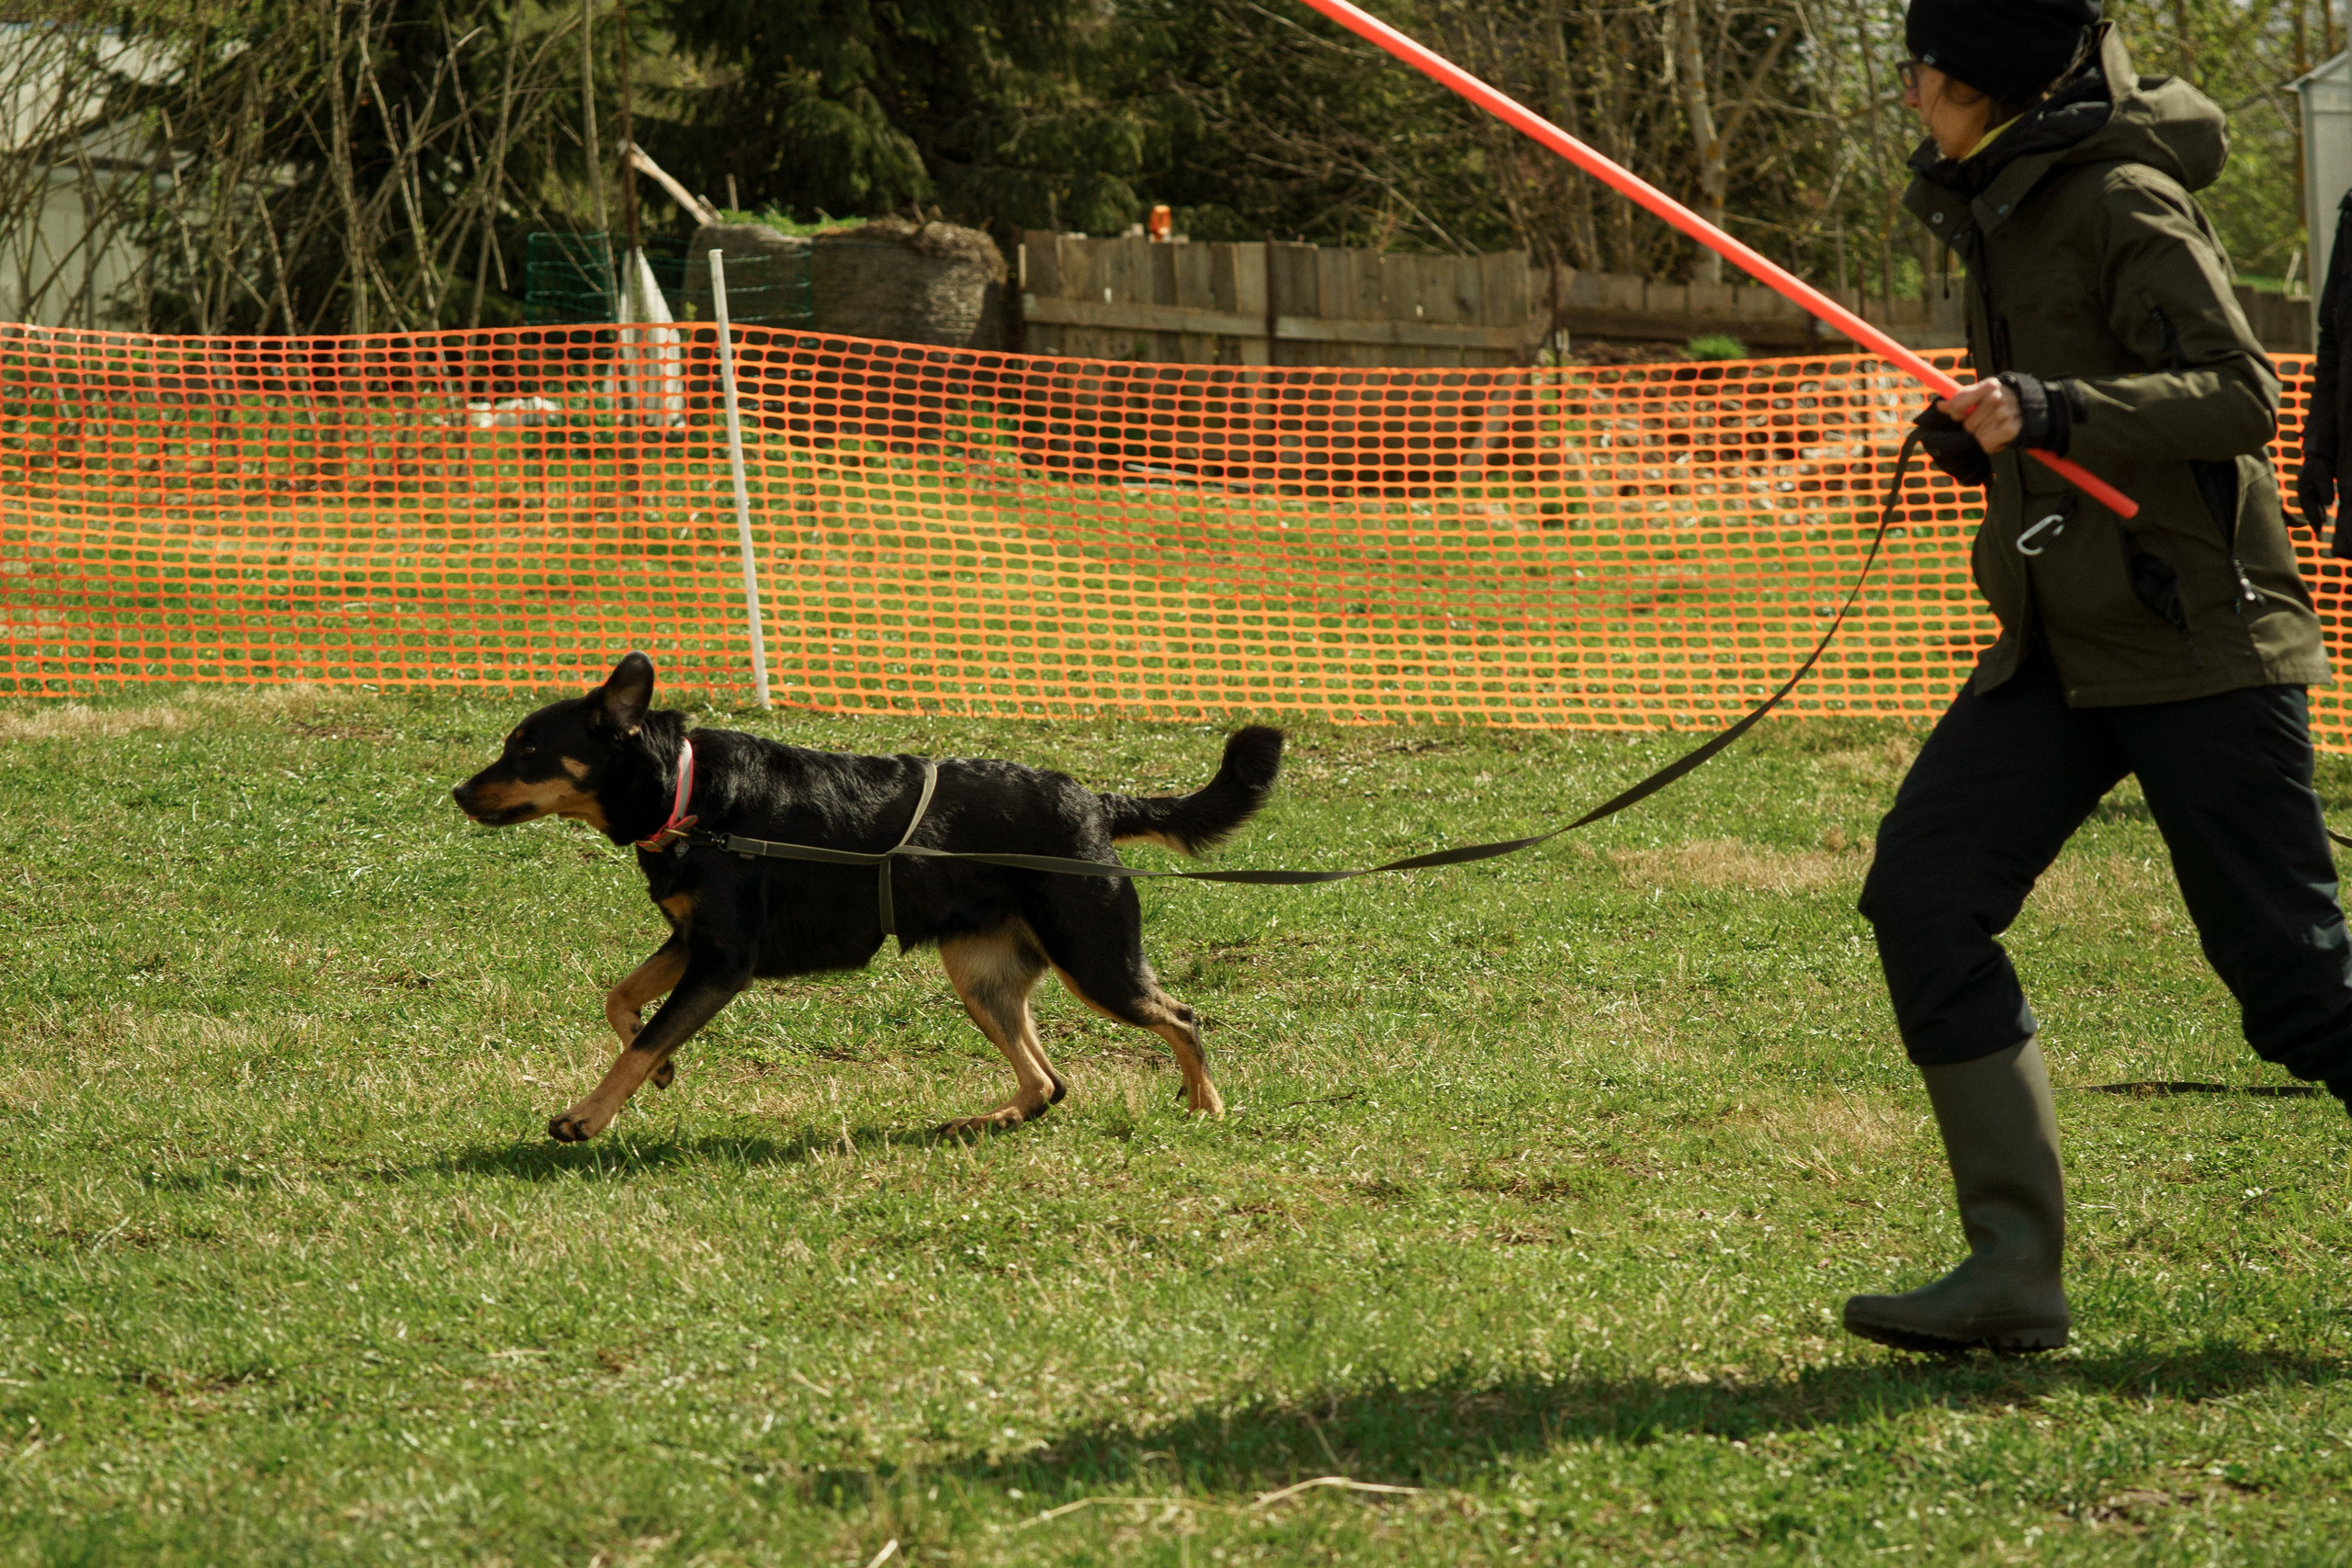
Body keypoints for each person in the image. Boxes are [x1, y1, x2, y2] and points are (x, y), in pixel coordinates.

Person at [1846, 0, 2350, 1355]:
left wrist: (2058, 411)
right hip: (2059, 645)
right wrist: (1990, 435)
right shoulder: (2006, 195)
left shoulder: (2120, 195)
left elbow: (2240, 395)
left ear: (1968, 84)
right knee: (1926, 898)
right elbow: (2056, 395)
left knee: (2302, 998)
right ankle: (2012, 1270)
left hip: (2197, 642)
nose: (1908, 100)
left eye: (1918, 76)